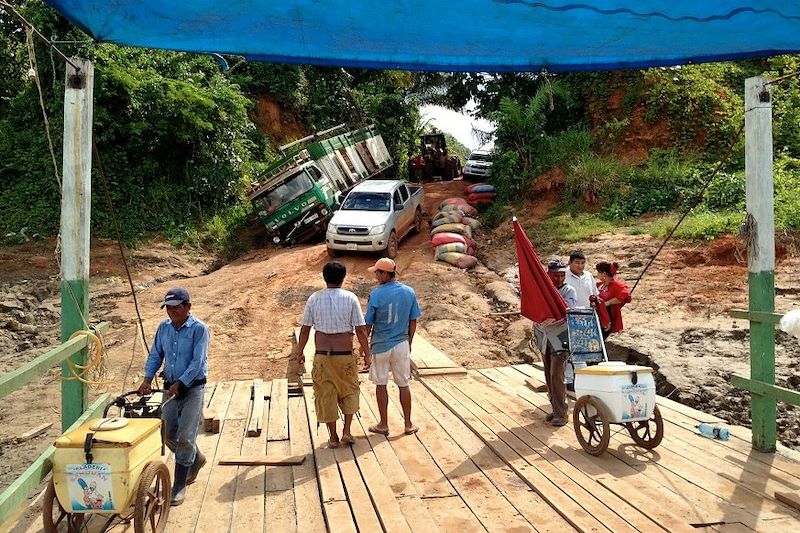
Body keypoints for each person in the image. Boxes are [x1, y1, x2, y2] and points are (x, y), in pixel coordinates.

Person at [138, 287, 209, 506]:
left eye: (176, 308)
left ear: (188, 307)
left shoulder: (199, 329)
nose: (171, 312)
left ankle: (179, 485)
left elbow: (198, 362)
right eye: (168, 308)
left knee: (187, 437)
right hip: (169, 388)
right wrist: (148, 378)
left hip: (193, 388)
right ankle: (195, 459)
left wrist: (182, 382)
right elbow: (156, 354)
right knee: (167, 433)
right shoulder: (163, 328)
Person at [297, 261, 372, 448]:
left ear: (324, 277)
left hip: (323, 356)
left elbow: (305, 330)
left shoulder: (314, 299)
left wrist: (300, 352)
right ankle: (346, 430)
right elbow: (361, 331)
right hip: (345, 355)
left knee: (325, 394)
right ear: (343, 278)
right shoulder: (350, 298)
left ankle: (333, 437)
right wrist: (367, 354)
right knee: (350, 390)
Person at [364, 258, 421, 436]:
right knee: (403, 384)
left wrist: (364, 346)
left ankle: (383, 424)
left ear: (384, 274)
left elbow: (368, 324)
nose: (375, 275)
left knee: (381, 384)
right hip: (401, 343)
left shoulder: (376, 294)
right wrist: (409, 341)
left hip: (380, 345)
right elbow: (413, 321)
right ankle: (408, 424)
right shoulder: (409, 292)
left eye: (377, 272)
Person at [542, 259, 577, 426]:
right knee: (549, 375)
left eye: (562, 275)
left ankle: (562, 413)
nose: (560, 278)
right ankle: (555, 408)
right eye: (556, 275)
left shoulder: (568, 290)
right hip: (545, 337)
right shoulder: (543, 290)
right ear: (549, 275)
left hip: (561, 338)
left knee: (557, 374)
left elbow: (566, 310)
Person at [564, 250, 598, 389]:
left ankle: (581, 379)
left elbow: (595, 294)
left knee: (583, 349)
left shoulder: (588, 276)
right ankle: (569, 379)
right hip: (568, 316)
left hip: (586, 317)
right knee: (567, 349)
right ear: (570, 263)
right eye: (577, 262)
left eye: (582, 263)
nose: (580, 266)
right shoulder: (564, 275)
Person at [595, 261, 632, 338]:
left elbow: (625, 295)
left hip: (607, 315)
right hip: (598, 314)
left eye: (598, 272)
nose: (597, 274)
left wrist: (608, 302)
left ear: (604, 273)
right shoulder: (601, 284)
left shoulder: (616, 285)